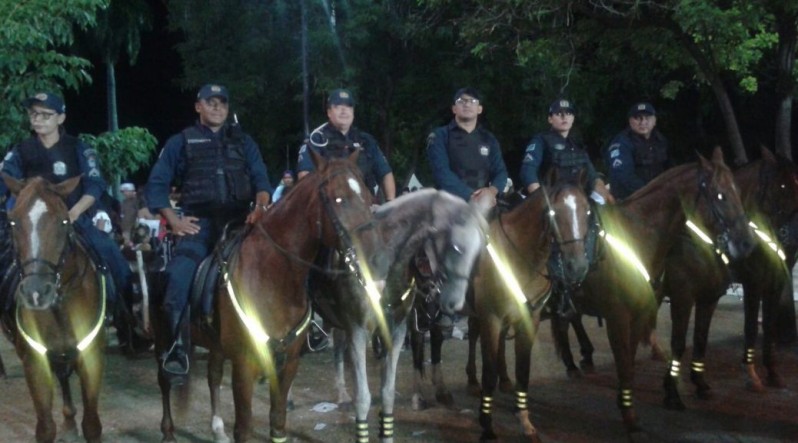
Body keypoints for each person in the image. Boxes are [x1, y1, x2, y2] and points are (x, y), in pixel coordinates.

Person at [145, 84, 273, 377]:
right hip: (199, 224)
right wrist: (173, 220)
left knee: (278, 264)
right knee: (177, 276)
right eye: (210, 102)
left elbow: (262, 180)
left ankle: (281, 338)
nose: (217, 108)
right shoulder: (180, 142)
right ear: (198, 107)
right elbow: (157, 184)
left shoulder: (244, 142)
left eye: (222, 103)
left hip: (241, 222)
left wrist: (260, 206)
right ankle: (177, 345)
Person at [0, 92, 132, 312]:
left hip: (73, 219)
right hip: (31, 225)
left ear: (60, 118)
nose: (38, 119)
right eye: (34, 114)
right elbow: (4, 181)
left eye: (45, 115)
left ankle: (125, 319)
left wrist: (75, 212)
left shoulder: (78, 148)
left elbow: (95, 184)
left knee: (112, 256)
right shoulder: (20, 150)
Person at [297, 88, 396, 202]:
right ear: (329, 112)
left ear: (353, 112)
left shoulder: (366, 140)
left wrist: (391, 203)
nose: (344, 110)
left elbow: (385, 173)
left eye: (348, 106)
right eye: (338, 106)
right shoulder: (316, 139)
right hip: (329, 205)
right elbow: (304, 175)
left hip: (364, 205)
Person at [426, 87, 508, 207]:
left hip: (483, 205)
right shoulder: (440, 136)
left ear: (480, 109)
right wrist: (471, 196)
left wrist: (491, 191)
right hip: (447, 205)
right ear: (454, 108)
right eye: (461, 101)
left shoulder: (489, 139)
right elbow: (442, 172)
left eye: (472, 101)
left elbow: (501, 172)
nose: (467, 104)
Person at [520, 98, 613, 203]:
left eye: (568, 113)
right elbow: (528, 172)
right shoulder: (541, 140)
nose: (564, 117)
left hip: (576, 200)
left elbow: (592, 175)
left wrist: (602, 191)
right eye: (559, 113)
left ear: (573, 118)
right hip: (550, 199)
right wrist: (542, 199)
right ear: (550, 119)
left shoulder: (577, 145)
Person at [604, 102, 670, 200]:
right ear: (630, 121)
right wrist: (652, 193)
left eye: (647, 118)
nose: (643, 122)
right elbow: (624, 177)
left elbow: (670, 170)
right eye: (638, 118)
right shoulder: (621, 143)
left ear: (654, 121)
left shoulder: (660, 140)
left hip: (658, 196)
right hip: (630, 199)